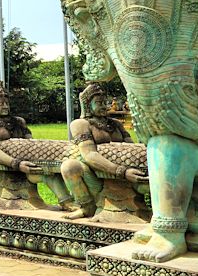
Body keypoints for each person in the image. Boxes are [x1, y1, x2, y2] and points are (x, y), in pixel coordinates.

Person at [0, 79, 75, 209]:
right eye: (0, 104)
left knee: (48, 174)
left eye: (7, 103)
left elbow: (30, 144)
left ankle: (68, 203)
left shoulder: (19, 121)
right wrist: (16, 164)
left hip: (24, 167)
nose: (5, 106)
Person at [61, 82, 147, 220]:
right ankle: (87, 207)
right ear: (87, 105)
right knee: (69, 166)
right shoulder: (80, 124)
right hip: (97, 175)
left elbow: (131, 146)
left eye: (105, 102)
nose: (104, 106)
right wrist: (121, 171)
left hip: (127, 173)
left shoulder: (116, 124)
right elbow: (89, 154)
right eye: (99, 103)